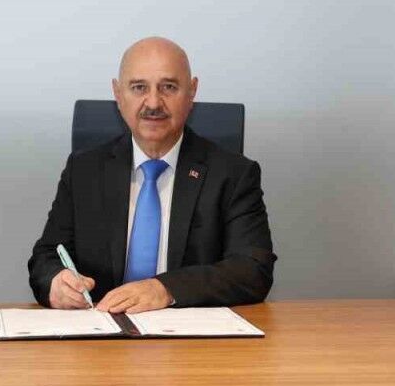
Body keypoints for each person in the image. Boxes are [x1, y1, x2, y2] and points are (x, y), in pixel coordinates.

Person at [28, 37, 275, 312]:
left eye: (168, 87)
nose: (154, 102)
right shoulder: (84, 170)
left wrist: (165, 289)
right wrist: (55, 283)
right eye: (139, 87)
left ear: (192, 91)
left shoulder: (233, 174)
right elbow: (47, 256)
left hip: (190, 335)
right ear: (118, 93)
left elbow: (253, 269)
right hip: (101, 331)